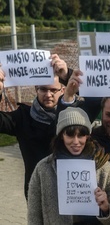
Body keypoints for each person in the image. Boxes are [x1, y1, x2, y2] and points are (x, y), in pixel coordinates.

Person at [27, 107, 110, 224]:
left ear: (87, 136)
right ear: (61, 135)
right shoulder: (43, 168)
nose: (76, 141)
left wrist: (106, 208)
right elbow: (34, 215)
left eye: (81, 135)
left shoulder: (103, 167)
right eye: (70, 135)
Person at [0, 54, 72, 199]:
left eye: (53, 90)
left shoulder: (73, 115)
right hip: (36, 192)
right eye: (43, 89)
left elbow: (95, 101)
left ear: (62, 90)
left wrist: (67, 75)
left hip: (70, 190)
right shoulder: (22, 117)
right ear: (36, 89)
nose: (48, 94)